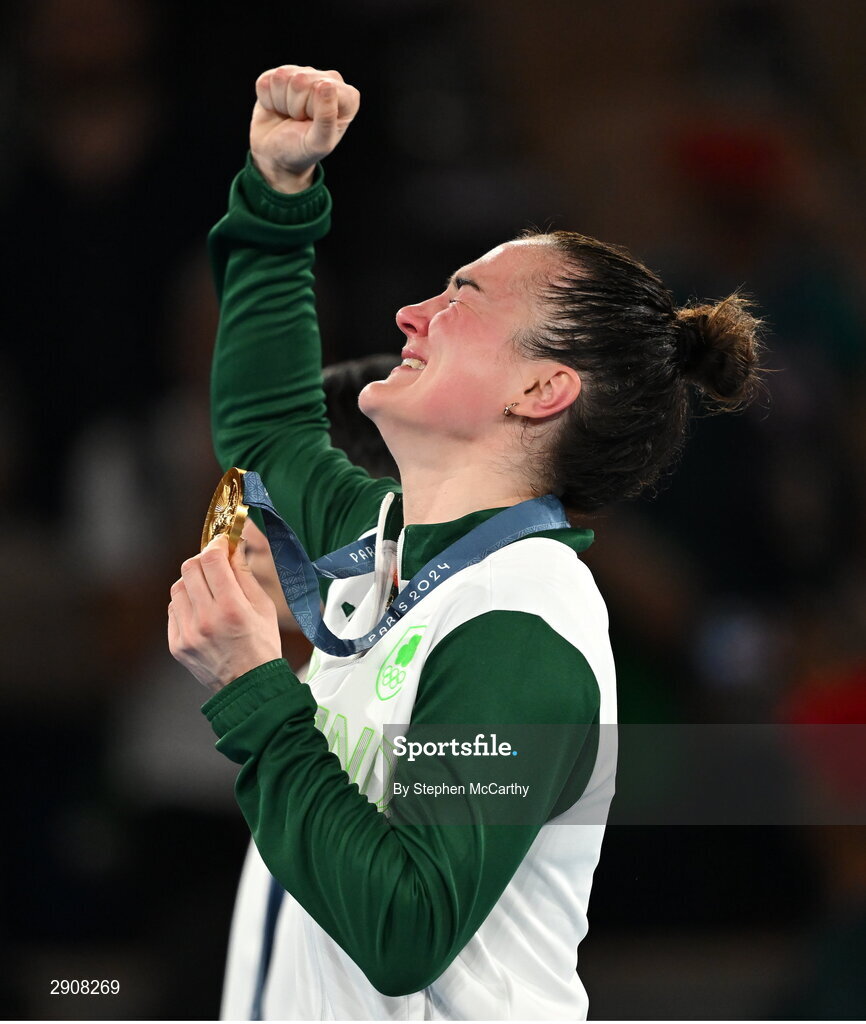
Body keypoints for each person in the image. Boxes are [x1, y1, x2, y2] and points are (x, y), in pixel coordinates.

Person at [168, 65, 763, 1020]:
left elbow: (407, 928)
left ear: (541, 391)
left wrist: (252, 694)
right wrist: (279, 194)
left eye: (463, 298)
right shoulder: (388, 547)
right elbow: (268, 431)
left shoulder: (520, 625)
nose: (412, 313)